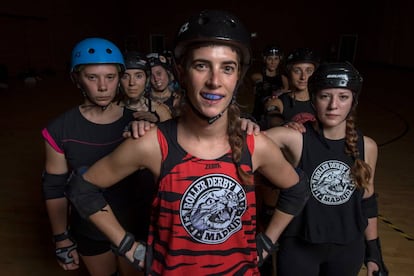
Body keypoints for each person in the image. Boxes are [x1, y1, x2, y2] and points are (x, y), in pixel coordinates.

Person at [65, 10, 310, 275]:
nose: (214, 81)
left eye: (227, 68)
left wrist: (266, 241)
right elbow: (83, 189)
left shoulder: (254, 144)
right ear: (181, 72)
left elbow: (297, 189)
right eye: (201, 65)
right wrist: (128, 246)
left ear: (237, 77)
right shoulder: (154, 144)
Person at [261, 62, 388, 275]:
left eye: (343, 97)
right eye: (325, 96)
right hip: (299, 247)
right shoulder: (295, 138)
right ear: (313, 99)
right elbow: (242, 143)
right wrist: (248, 123)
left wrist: (374, 253)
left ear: (353, 101)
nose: (333, 106)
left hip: (348, 249)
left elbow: (367, 202)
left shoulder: (368, 146)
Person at [41, 37, 147, 276]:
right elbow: (55, 188)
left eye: (110, 77)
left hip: (134, 225)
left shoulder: (138, 121)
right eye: (92, 77)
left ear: (119, 78)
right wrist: (61, 238)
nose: (102, 87)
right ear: (77, 78)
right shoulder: (59, 129)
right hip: (88, 228)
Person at [263, 47, 320, 127]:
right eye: (297, 71)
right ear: (289, 73)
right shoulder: (278, 102)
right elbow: (273, 114)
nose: (303, 77)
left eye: (309, 71)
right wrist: (284, 125)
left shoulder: (320, 101)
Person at [118, 51, 172, 123]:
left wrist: (157, 124)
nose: (131, 83)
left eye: (138, 76)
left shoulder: (160, 110)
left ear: (147, 79)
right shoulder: (110, 110)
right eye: (125, 76)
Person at [250, 44, 289, 124]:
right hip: (259, 115)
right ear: (265, 59)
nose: (273, 62)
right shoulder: (258, 75)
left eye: (276, 59)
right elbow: (258, 84)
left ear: (279, 60)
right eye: (269, 59)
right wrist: (259, 85)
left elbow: (286, 96)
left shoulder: (283, 79)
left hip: (276, 115)